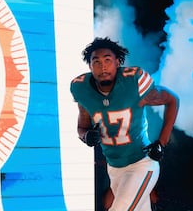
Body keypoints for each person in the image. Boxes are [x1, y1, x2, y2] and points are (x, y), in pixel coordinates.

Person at [70, 37, 179, 211]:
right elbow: (82, 127)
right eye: (96, 61)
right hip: (114, 168)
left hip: (142, 163)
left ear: (118, 62)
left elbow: (172, 100)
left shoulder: (133, 81)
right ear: (89, 66)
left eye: (107, 60)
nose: (102, 66)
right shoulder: (81, 88)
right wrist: (86, 136)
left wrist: (161, 142)